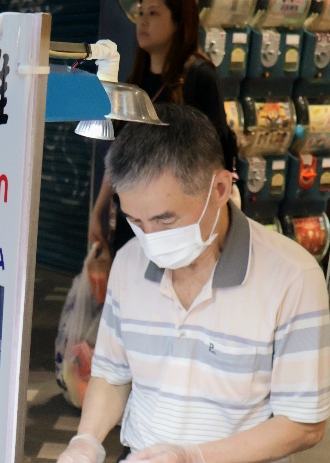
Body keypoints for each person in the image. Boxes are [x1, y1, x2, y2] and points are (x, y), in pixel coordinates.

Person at [54, 105, 330, 463]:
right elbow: (113, 371)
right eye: (135, 220)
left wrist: (196, 460)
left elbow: (303, 424)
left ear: (220, 187)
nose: (149, 236)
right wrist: (87, 439)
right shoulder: (132, 264)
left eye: (165, 220)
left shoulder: (292, 277)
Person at [88, 0, 238, 267]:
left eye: (154, 13)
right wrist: (100, 208)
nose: (142, 21)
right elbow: (120, 154)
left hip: (176, 222)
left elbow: (216, 157)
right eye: (140, 13)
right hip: (134, 216)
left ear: (180, 21)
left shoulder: (198, 77)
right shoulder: (136, 80)